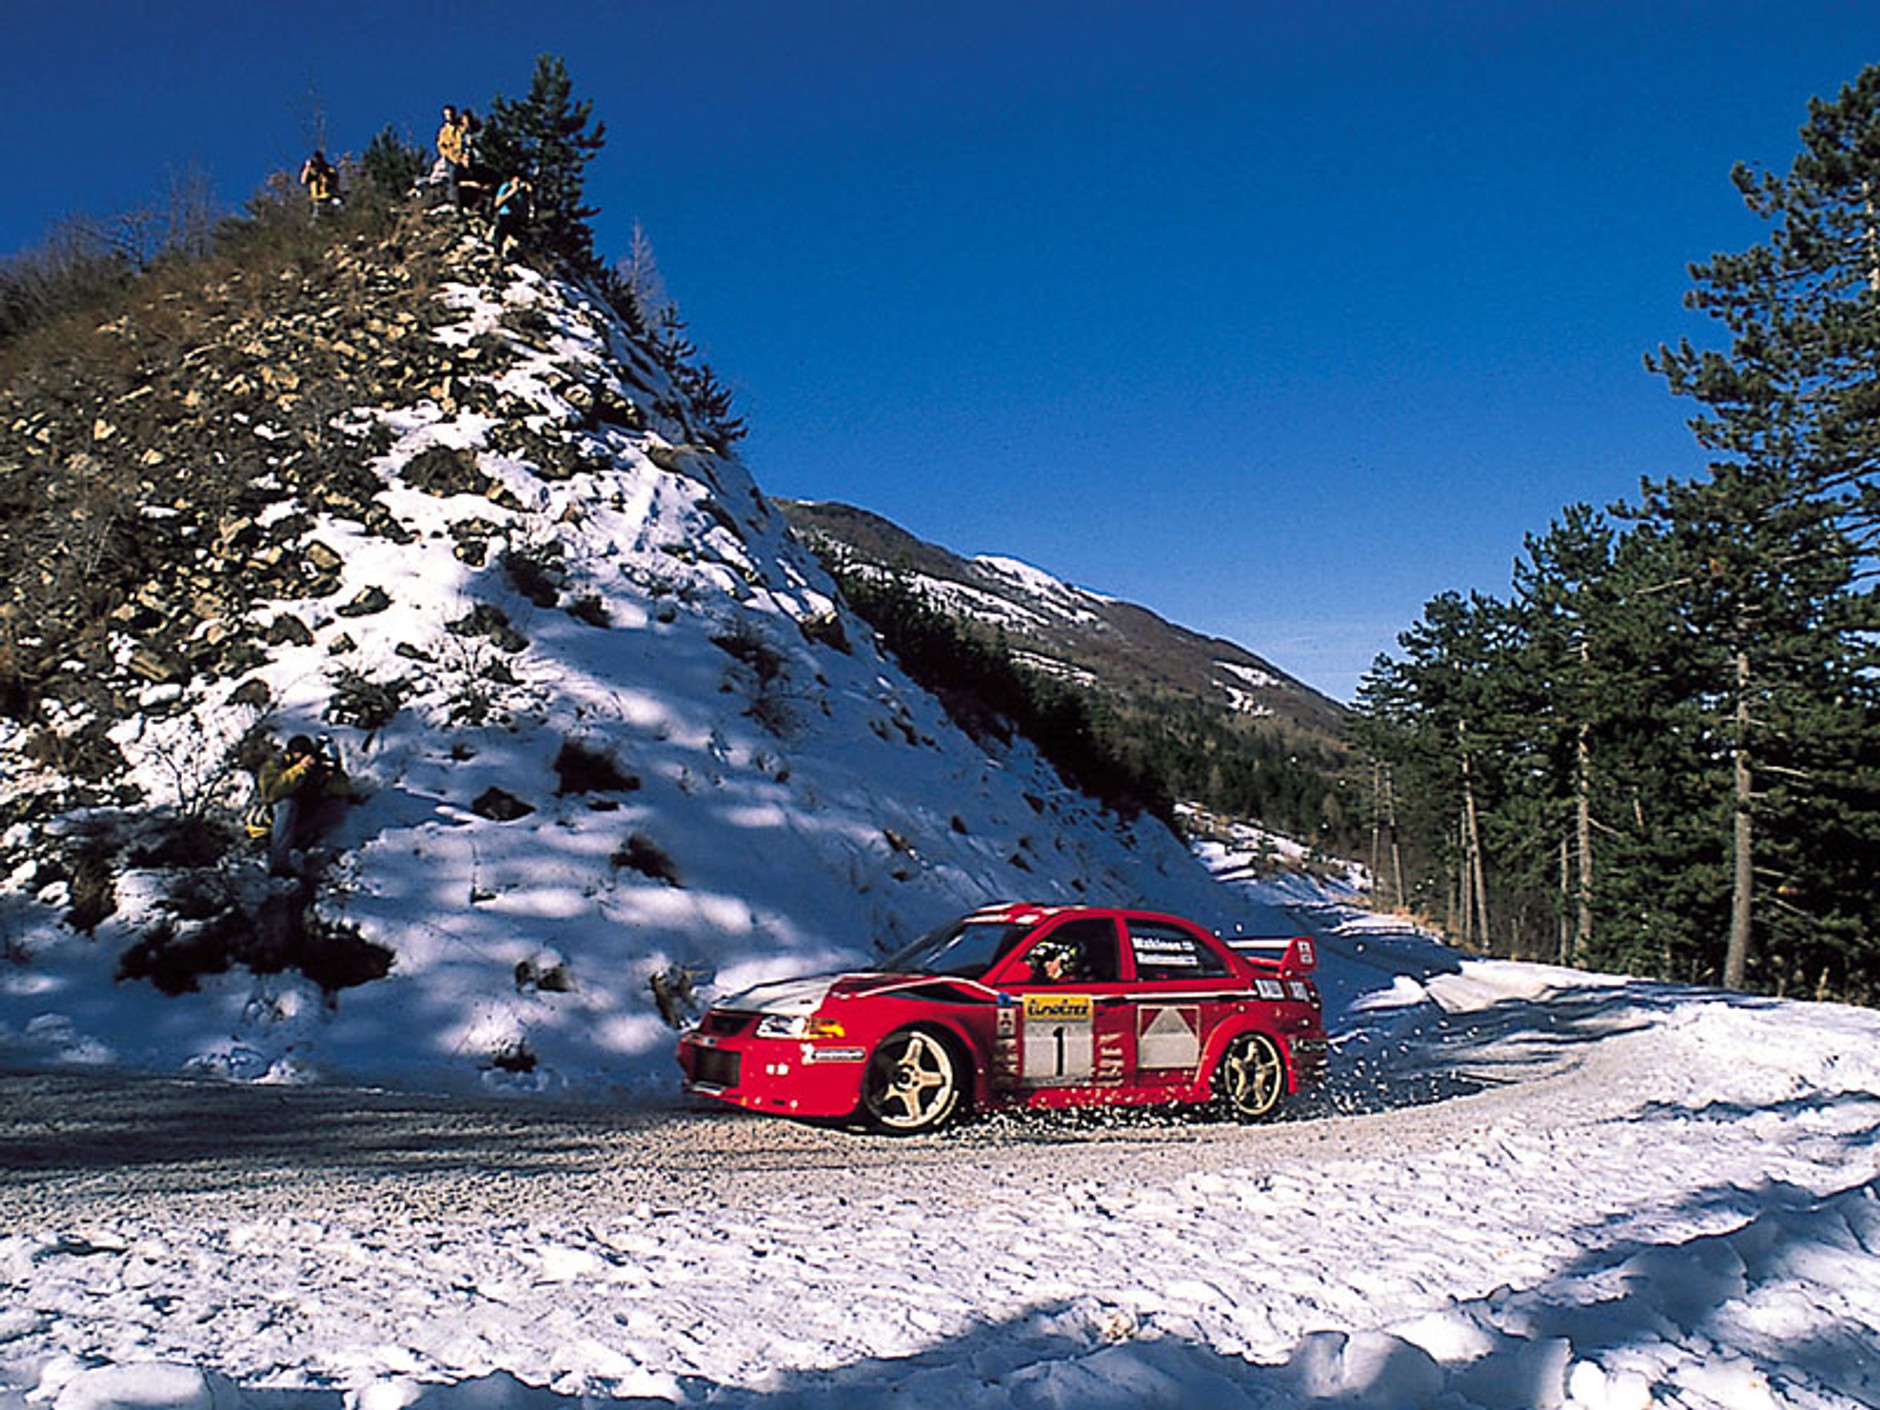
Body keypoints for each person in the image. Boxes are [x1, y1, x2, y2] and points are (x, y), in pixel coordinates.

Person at [251, 734, 354, 877]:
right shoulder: (275, 765)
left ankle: (300, 840)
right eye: (299, 754)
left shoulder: (315, 765)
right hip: (271, 819)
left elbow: (342, 789)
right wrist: (299, 770)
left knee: (335, 806)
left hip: (300, 816)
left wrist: (333, 773)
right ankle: (279, 864)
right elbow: (272, 793)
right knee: (288, 804)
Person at [489, 168, 533, 259]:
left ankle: (513, 255)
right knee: (501, 233)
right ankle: (496, 253)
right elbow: (497, 203)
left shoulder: (522, 192)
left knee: (521, 238)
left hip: (516, 217)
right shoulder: (506, 187)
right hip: (504, 214)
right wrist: (511, 192)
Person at [436, 105, 465, 206]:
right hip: (449, 157)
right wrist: (446, 153)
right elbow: (440, 144)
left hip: (460, 156)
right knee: (450, 178)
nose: (449, 117)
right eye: (446, 115)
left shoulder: (459, 128)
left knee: (457, 178)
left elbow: (461, 141)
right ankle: (451, 200)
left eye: (450, 114)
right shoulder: (443, 130)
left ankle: (458, 201)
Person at [298, 150, 340, 216]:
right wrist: (307, 167)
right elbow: (303, 181)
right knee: (316, 217)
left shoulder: (328, 168)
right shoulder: (311, 171)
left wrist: (324, 171)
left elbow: (335, 178)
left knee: (338, 207)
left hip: (329, 196)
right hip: (316, 199)